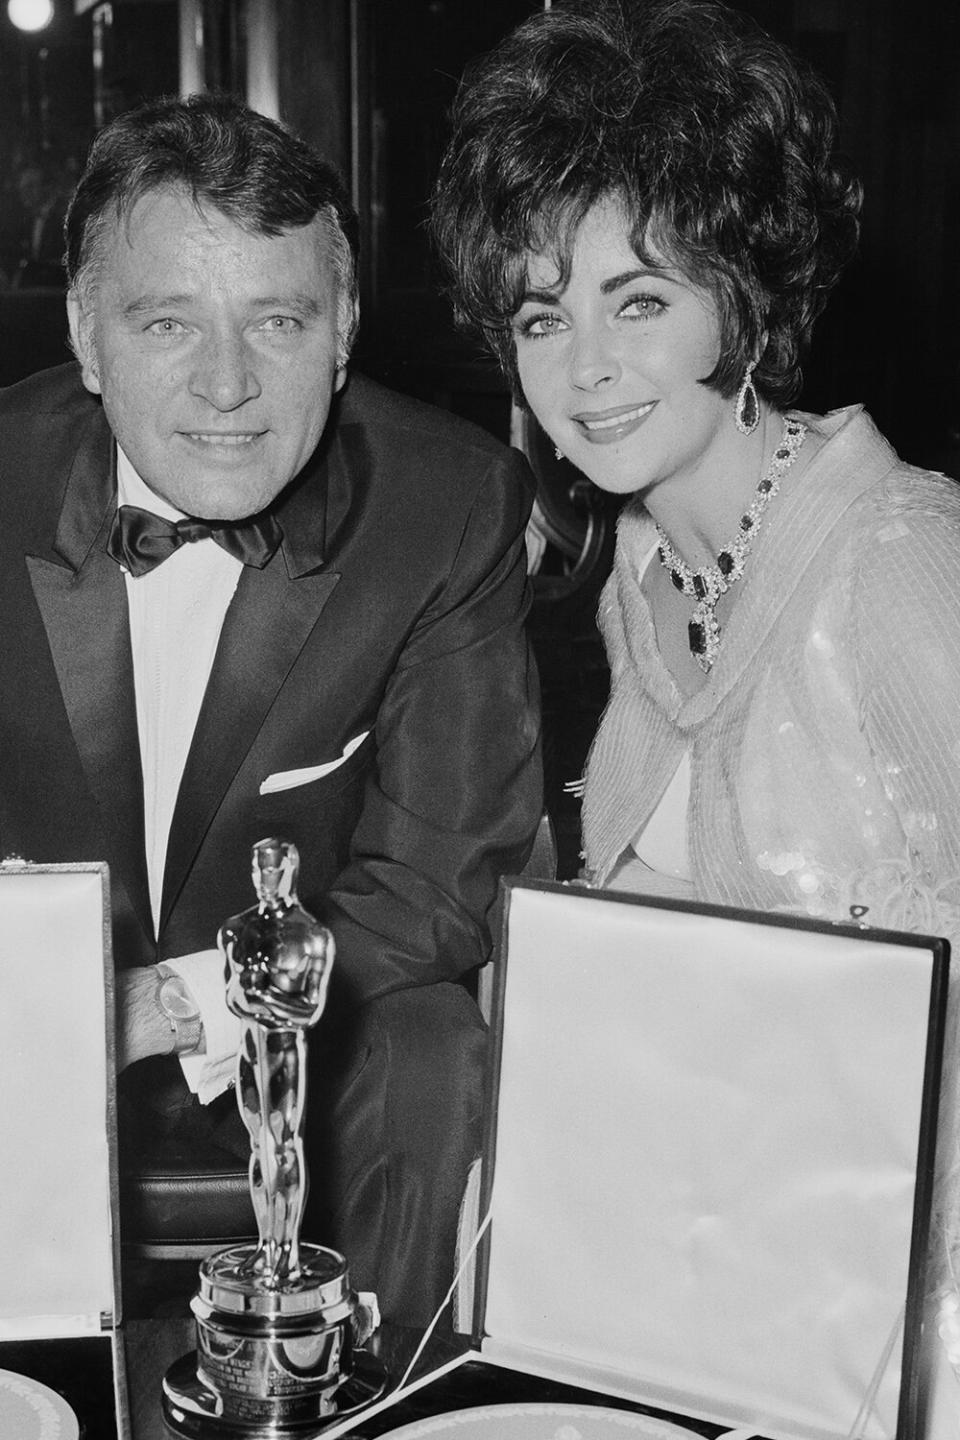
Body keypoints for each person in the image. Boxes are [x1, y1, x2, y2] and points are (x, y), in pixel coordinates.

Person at [431, 0, 960, 1418]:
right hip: (705, 1269)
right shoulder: (639, 572)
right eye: (546, 312)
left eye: (642, 298)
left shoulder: (900, 559)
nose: (583, 366)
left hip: (897, 1313)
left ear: (747, 294)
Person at [0, 92, 542, 1324]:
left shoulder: (445, 508)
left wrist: (166, 1004)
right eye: (169, 322)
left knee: (431, 1046)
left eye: (279, 321)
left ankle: (368, 1397)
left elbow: (438, 883)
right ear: (89, 336)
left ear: (344, 329)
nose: (229, 385)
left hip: (292, 1024)